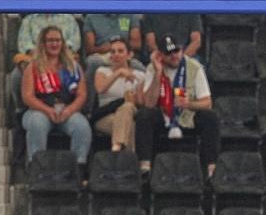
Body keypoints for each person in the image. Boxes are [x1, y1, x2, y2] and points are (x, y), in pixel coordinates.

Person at [135, 33, 220, 179]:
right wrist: (158, 73)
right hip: (163, 115)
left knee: (211, 117)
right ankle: (145, 169)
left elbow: (207, 103)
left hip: (188, 116)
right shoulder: (152, 69)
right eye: (169, 53)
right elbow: (149, 104)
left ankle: (211, 169)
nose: (174, 56)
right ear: (160, 55)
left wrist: (189, 104)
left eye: (176, 51)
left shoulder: (194, 67)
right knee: (144, 115)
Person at [20, 25, 91, 177]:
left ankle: (78, 169)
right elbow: (27, 97)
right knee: (37, 124)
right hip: (39, 110)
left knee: (82, 127)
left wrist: (69, 110)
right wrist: (47, 110)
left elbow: (82, 95)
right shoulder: (33, 67)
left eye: (58, 40)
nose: (54, 44)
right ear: (43, 43)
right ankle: (36, 168)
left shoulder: (73, 67)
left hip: (67, 110)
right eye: (50, 40)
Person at [92, 36, 142, 153]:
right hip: (106, 115)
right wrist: (118, 73)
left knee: (127, 106)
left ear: (129, 55)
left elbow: (141, 102)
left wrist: (135, 98)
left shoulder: (139, 75)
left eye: (120, 51)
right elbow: (100, 88)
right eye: (113, 51)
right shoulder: (102, 71)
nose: (116, 54)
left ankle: (116, 149)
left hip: (130, 113)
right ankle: (129, 161)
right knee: (130, 126)